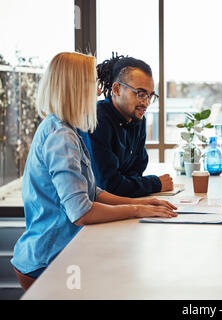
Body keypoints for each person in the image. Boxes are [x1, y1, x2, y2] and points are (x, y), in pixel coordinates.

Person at [11, 52, 178, 290]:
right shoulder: (60, 137)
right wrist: (136, 208)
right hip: (49, 259)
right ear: (75, 87)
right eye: (92, 84)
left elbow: (94, 191)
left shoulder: (67, 128)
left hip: (65, 250)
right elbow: (81, 211)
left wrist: (143, 205)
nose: (99, 92)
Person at [80, 53, 173, 198]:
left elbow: (136, 173)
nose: (146, 103)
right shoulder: (97, 120)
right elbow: (109, 186)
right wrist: (156, 183)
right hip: (94, 211)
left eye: (150, 96)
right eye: (140, 94)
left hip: (122, 206)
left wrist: (133, 184)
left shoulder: (137, 120)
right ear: (116, 89)